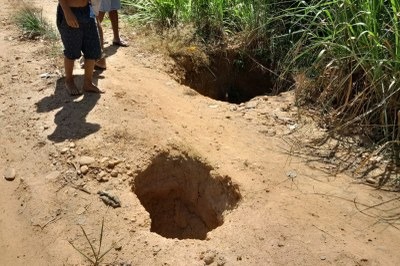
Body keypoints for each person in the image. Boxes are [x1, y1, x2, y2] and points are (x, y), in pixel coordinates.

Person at [57, 0, 103, 95]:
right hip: (70, 10)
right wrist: (67, 12)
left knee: (93, 48)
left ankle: (88, 83)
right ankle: (69, 81)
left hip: (87, 9)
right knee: (72, 50)